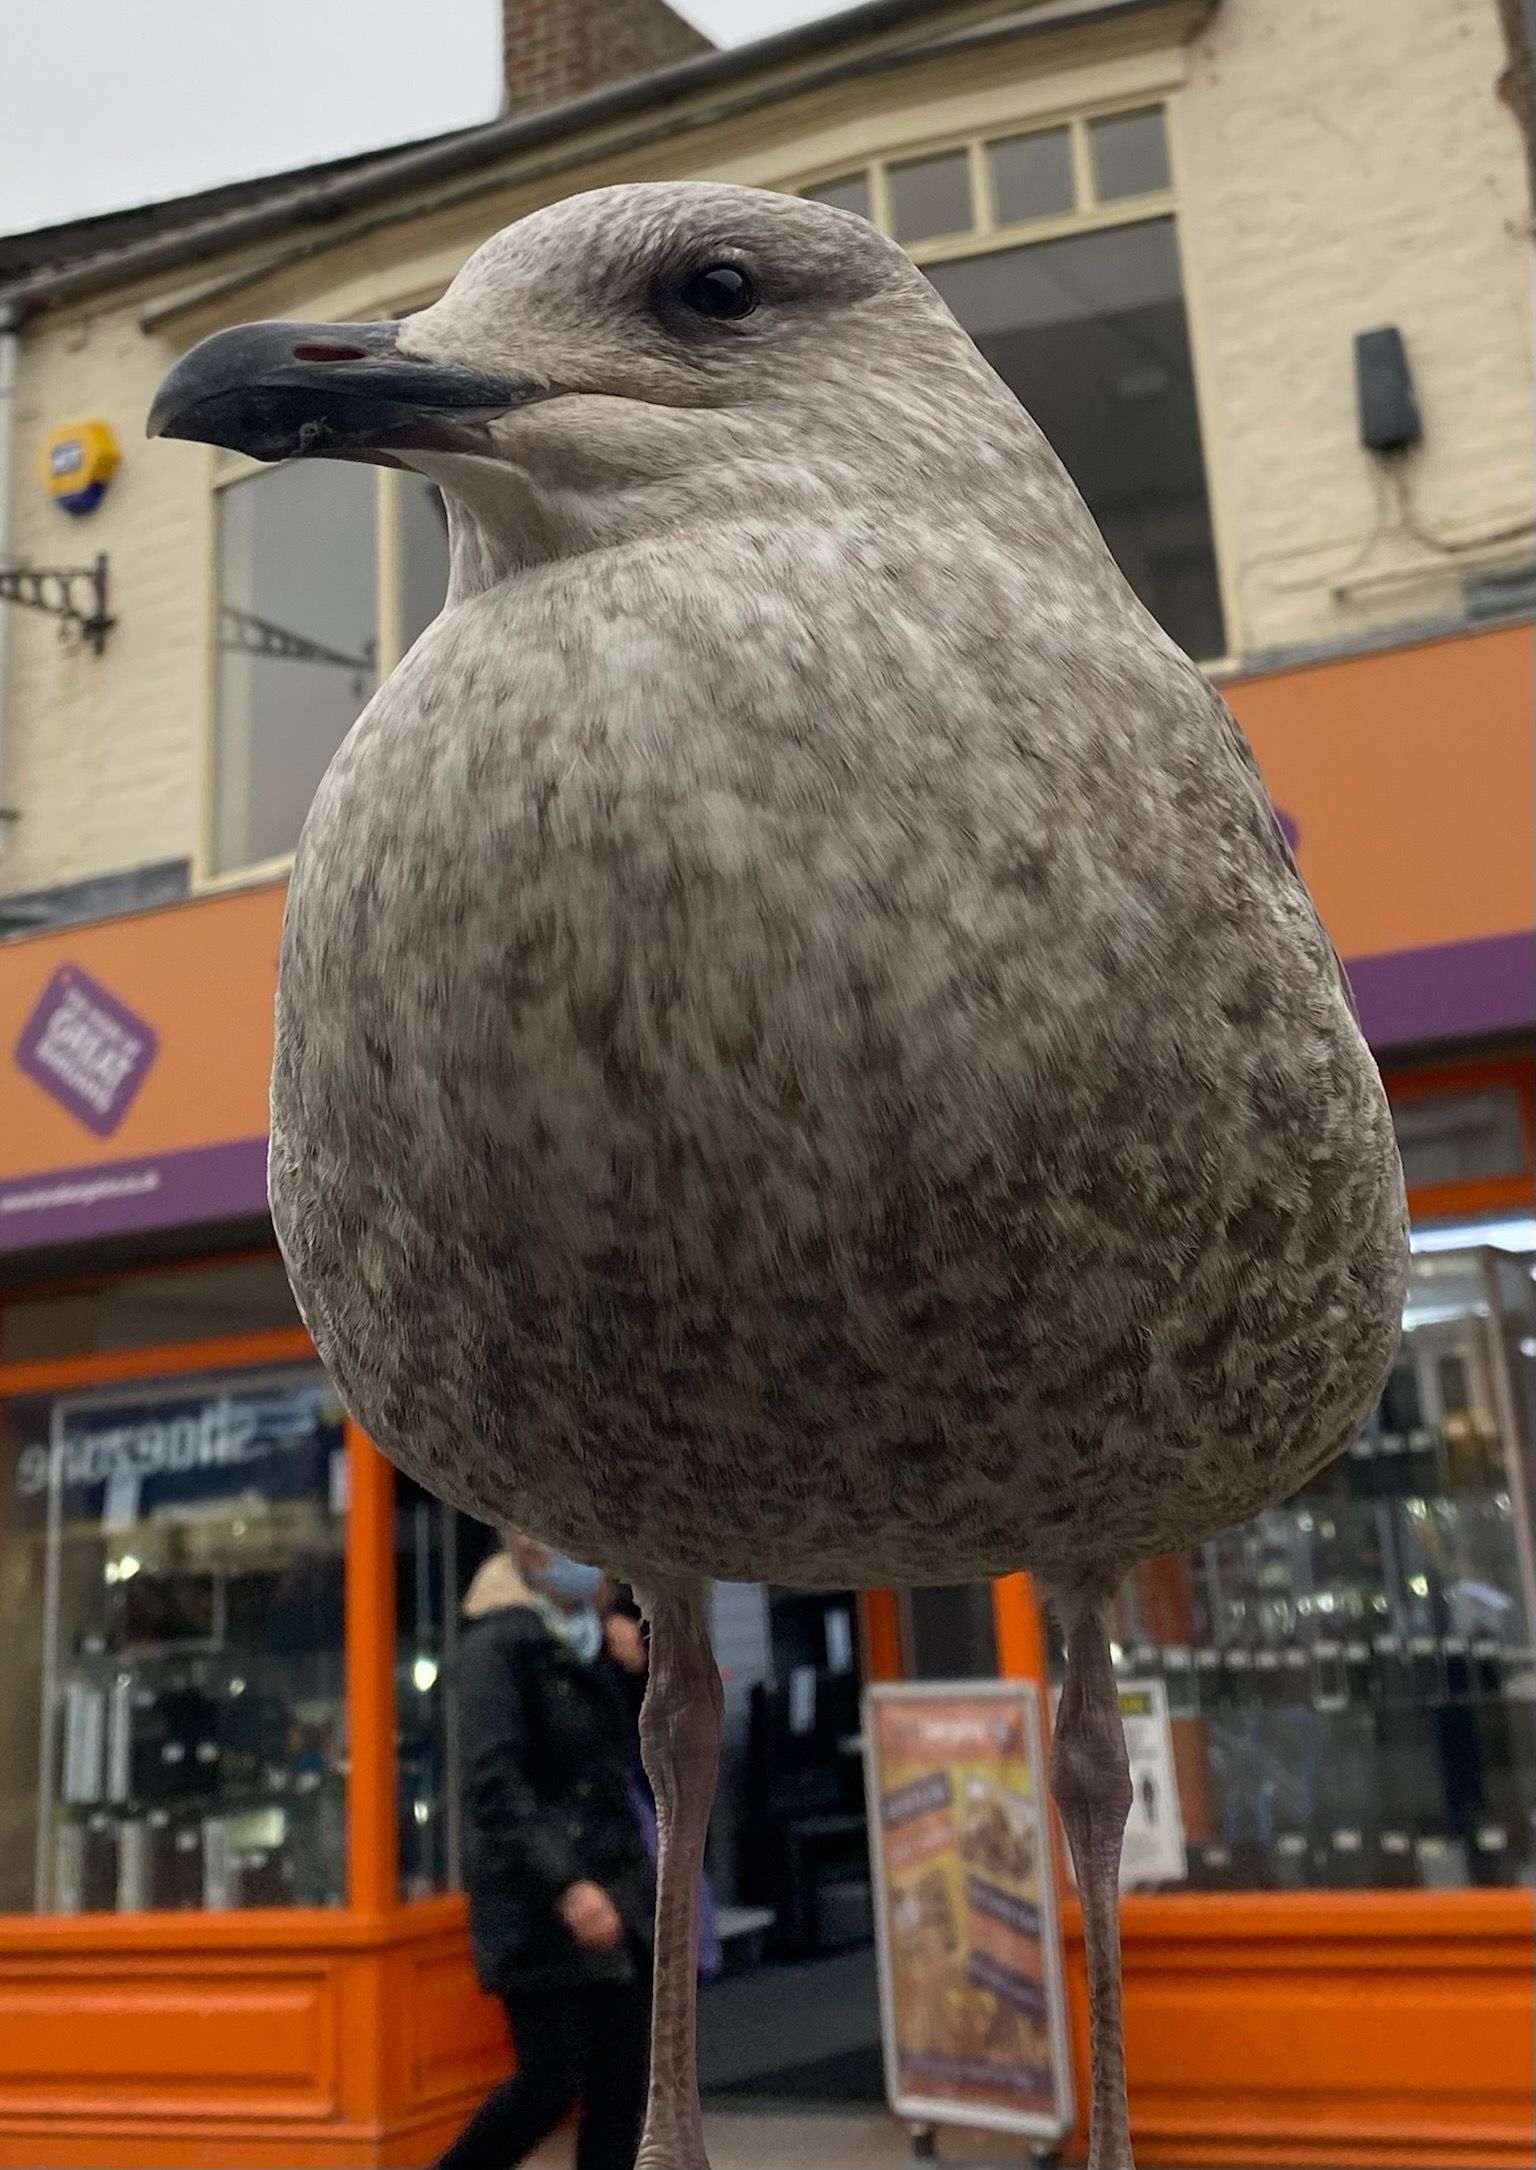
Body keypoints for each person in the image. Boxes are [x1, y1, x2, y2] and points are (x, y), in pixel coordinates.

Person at [435, 1535, 653, 2170]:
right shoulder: (496, 1646)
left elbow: (626, 1758)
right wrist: (568, 1885)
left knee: (621, 2087)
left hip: (617, 1888)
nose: (596, 1563)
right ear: (529, 1552)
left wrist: (628, 1672)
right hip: (540, 1902)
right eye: (576, 1545)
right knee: (550, 2082)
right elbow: (494, 1788)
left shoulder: (593, 1639)